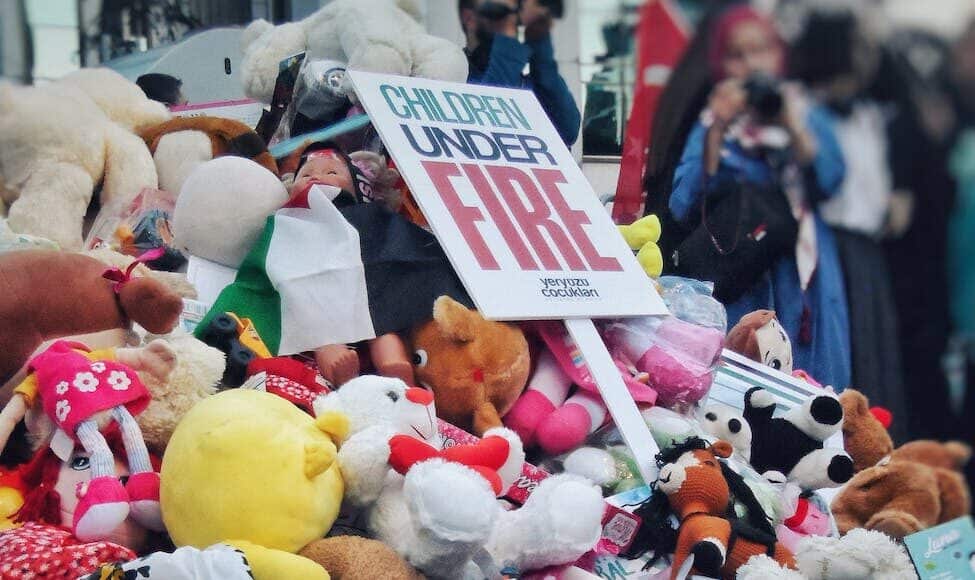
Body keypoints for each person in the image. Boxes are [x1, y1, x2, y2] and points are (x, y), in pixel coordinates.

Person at [664, 4, 851, 387]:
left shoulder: (803, 112)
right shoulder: (713, 118)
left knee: (813, 384)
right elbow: (683, 201)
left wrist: (792, 127)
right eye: (737, 55)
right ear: (721, 65)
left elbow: (831, 180)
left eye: (762, 49)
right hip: (743, 271)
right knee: (744, 384)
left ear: (779, 53)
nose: (752, 64)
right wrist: (717, 127)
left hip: (803, 277)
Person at [790, 8, 907, 439]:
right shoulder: (806, 109)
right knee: (846, 350)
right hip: (830, 243)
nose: (868, 57)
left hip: (867, 246)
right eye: (859, 47)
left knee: (876, 352)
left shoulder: (868, 114)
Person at [459, 0, 581, 145]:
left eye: (516, 10)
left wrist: (538, 38)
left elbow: (568, 131)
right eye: (498, 11)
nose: (511, 20)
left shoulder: (528, 83)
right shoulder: (450, 76)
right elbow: (484, 129)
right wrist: (507, 35)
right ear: (469, 18)